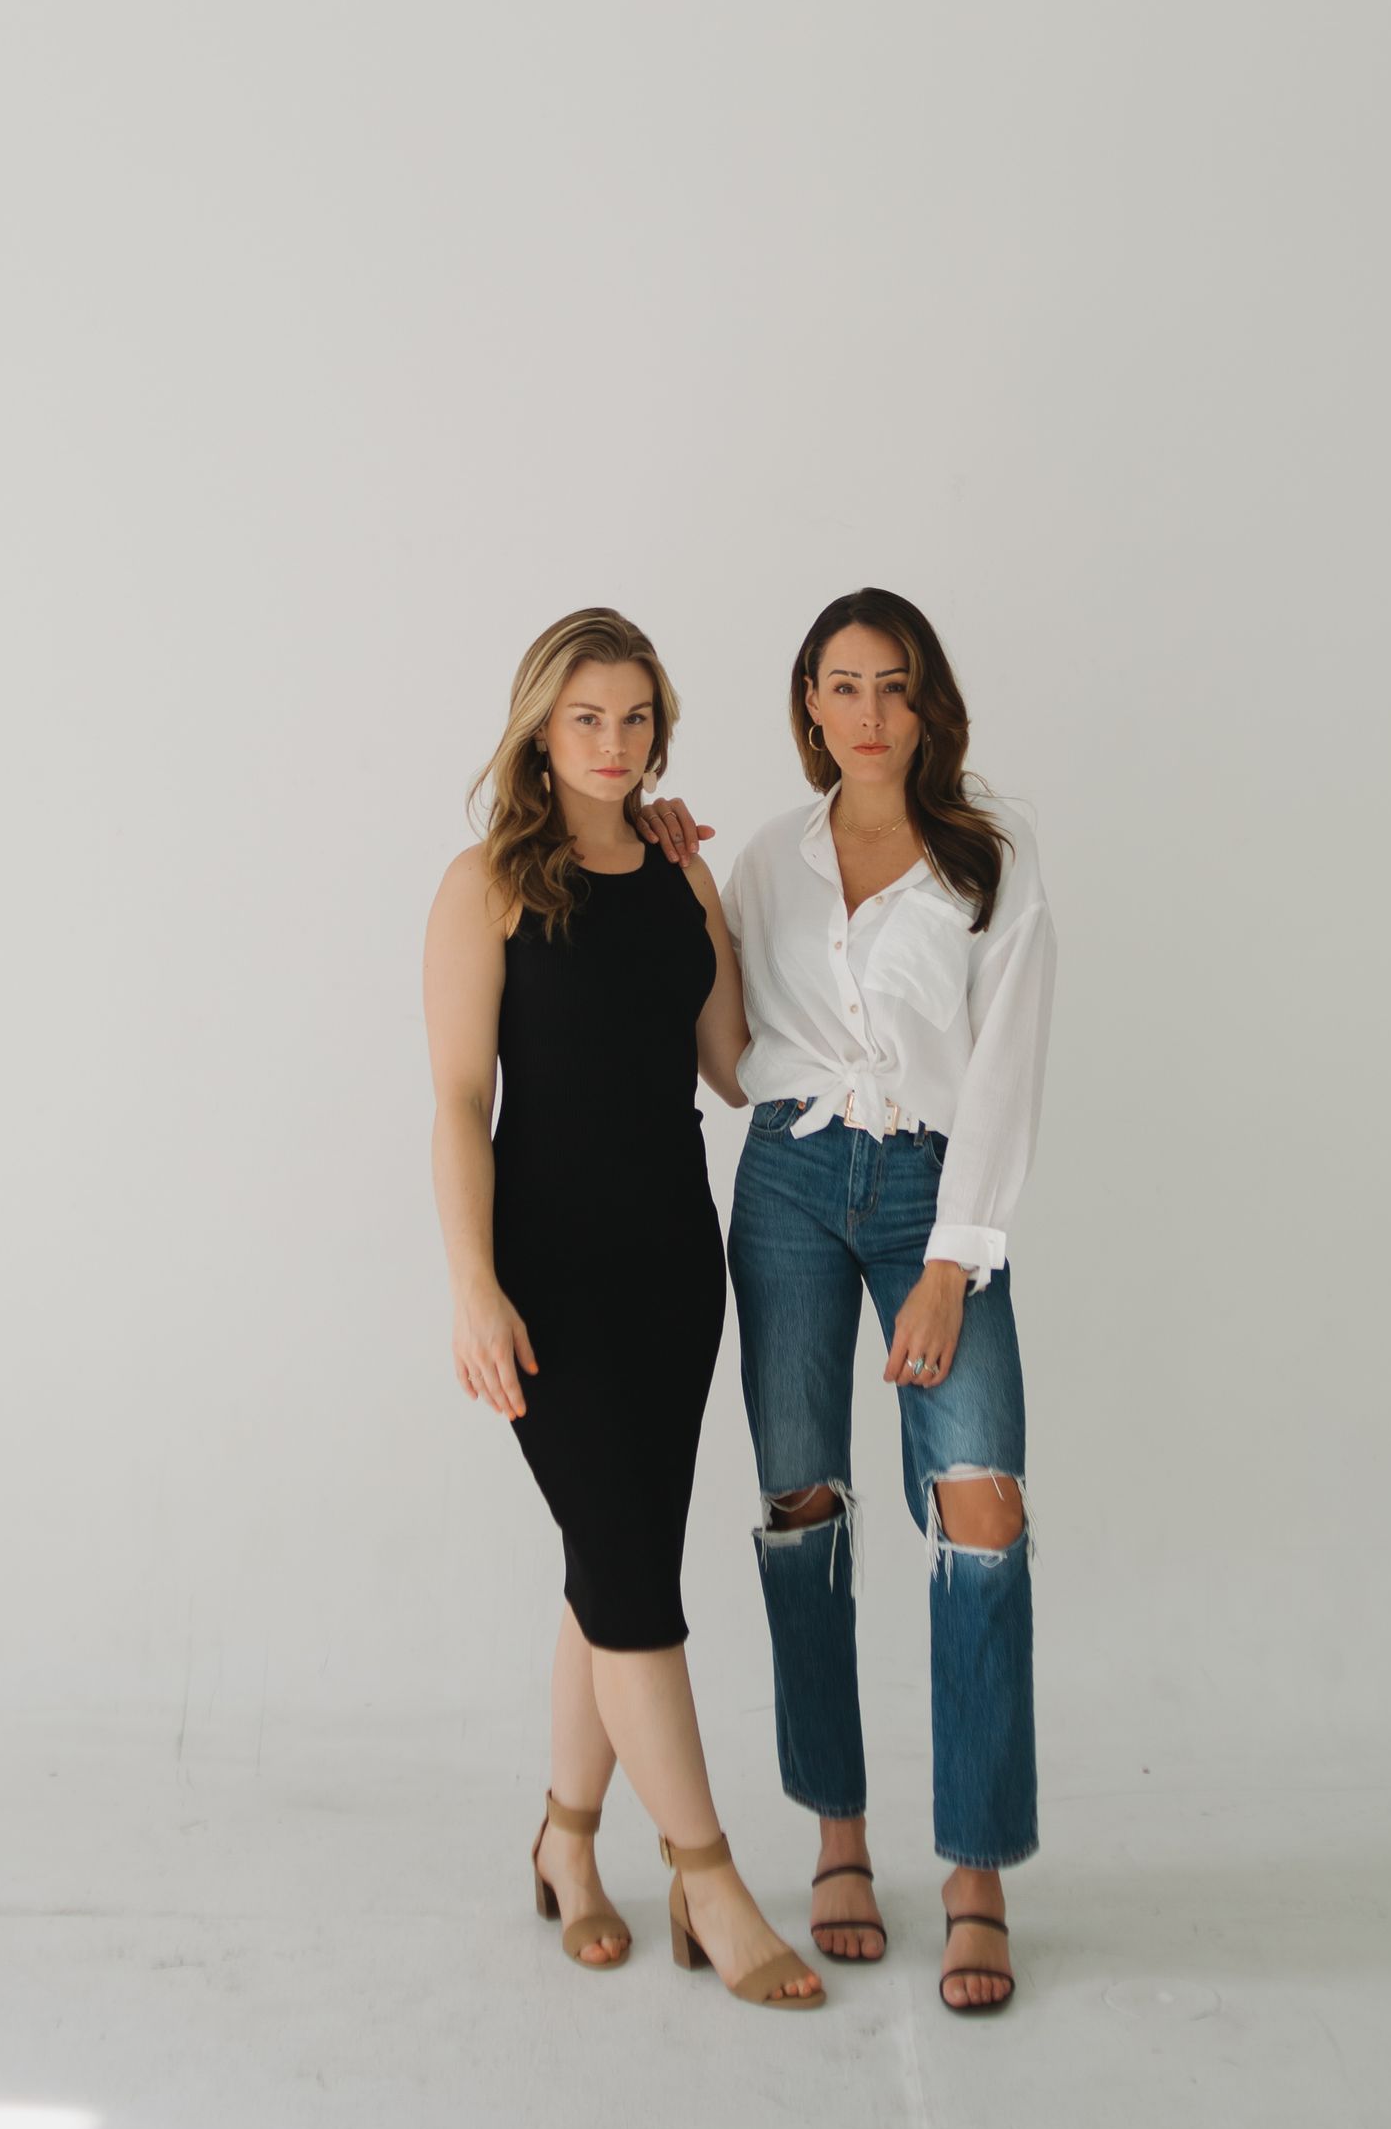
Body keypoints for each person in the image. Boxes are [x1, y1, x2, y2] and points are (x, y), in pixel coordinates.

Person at [639, 587, 1055, 2013]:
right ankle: (837, 1832)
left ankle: (978, 1866)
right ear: (808, 704)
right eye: (840, 685)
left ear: (928, 702)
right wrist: (692, 894)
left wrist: (953, 1260)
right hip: (792, 1189)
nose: (867, 712)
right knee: (802, 1506)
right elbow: (731, 1055)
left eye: (893, 686)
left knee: (980, 1506)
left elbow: (1004, 1070)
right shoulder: (769, 860)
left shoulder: (986, 863)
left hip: (937, 1193)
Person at [421, 604, 823, 2010]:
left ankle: (567, 1843)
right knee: (633, 1576)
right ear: (542, 725)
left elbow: (729, 1067)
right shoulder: (486, 885)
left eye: (637, 717)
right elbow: (462, 1102)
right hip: (547, 1274)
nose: (613, 742)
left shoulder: (669, 875)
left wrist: (711, 891)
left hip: (672, 1266)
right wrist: (473, 1285)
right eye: (587, 717)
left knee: (617, 1566)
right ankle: (704, 1875)